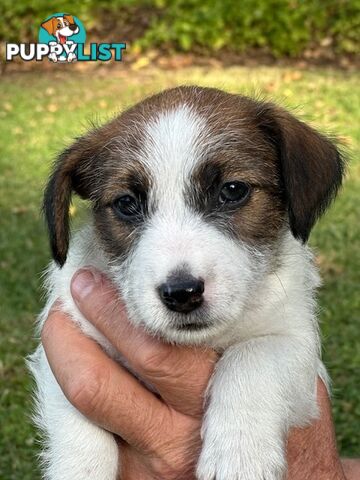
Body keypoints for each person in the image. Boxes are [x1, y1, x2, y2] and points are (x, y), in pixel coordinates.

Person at [41, 268, 360, 480]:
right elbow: (68, 360)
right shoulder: (86, 275)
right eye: (128, 204)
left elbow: (288, 344)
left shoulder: (279, 280)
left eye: (232, 192)